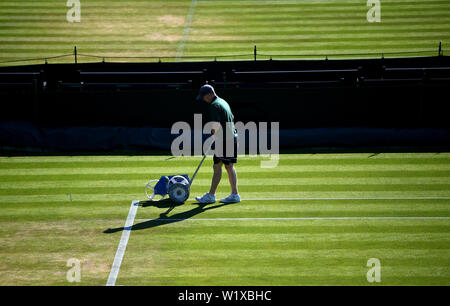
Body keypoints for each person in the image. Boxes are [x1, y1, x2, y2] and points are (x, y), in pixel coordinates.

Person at [195, 84, 241, 204]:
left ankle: (231, 195)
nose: (204, 100)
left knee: (227, 166)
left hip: (226, 140)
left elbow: (216, 125)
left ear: (209, 95)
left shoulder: (214, 106)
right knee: (219, 166)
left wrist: (213, 136)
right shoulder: (223, 102)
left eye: (204, 97)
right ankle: (214, 195)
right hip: (229, 138)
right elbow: (231, 117)